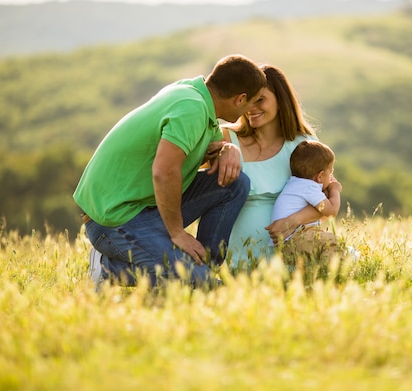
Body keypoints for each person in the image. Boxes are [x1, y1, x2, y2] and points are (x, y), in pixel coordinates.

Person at [74, 54, 267, 289]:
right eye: (253, 102)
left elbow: (208, 152)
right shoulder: (192, 108)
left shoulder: (196, 94)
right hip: (114, 218)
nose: (251, 111)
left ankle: (202, 267)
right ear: (240, 99)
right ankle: (107, 269)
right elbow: (164, 171)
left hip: (147, 205)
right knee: (198, 284)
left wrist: (228, 149)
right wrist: (177, 233)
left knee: (235, 184)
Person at [220, 64, 323, 268]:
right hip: (235, 260)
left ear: (281, 100)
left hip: (291, 258)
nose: (251, 108)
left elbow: (326, 203)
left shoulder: (303, 144)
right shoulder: (225, 137)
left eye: (260, 99)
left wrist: (292, 221)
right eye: (248, 100)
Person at [270, 140, 343, 269]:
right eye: (330, 173)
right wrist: (335, 190)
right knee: (329, 241)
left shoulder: (294, 184)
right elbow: (331, 211)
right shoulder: (309, 187)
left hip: (289, 244)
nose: (331, 177)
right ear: (320, 176)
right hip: (298, 238)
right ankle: (331, 272)